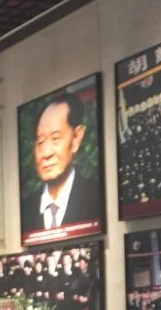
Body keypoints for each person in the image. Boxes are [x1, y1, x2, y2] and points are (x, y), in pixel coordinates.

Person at [21, 92, 102, 236]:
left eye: (56, 138)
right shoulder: (25, 209)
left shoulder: (96, 197)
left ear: (76, 138)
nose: (46, 153)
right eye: (40, 142)